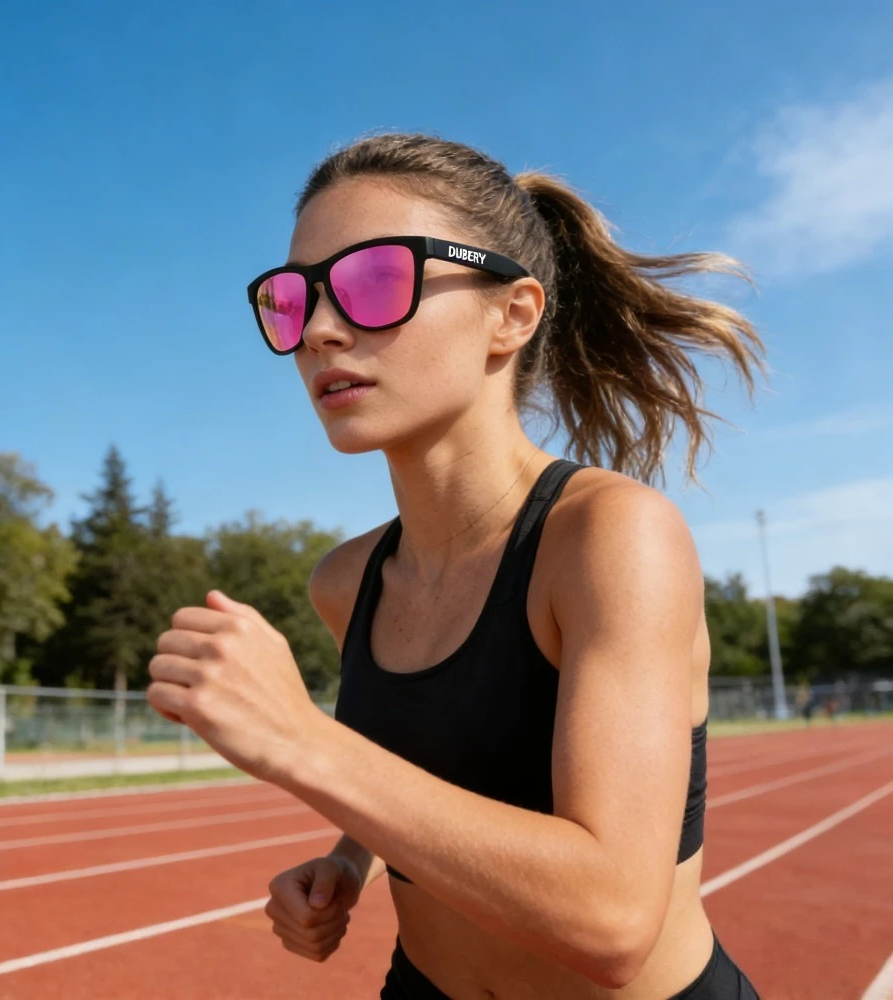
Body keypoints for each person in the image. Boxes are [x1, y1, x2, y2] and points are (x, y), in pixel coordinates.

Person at [147, 133, 764, 998]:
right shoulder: (345, 581)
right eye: (292, 299)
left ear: (511, 313)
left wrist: (299, 739)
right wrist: (347, 860)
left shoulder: (610, 538)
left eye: (373, 282)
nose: (319, 331)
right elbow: (423, 764)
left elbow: (614, 918)